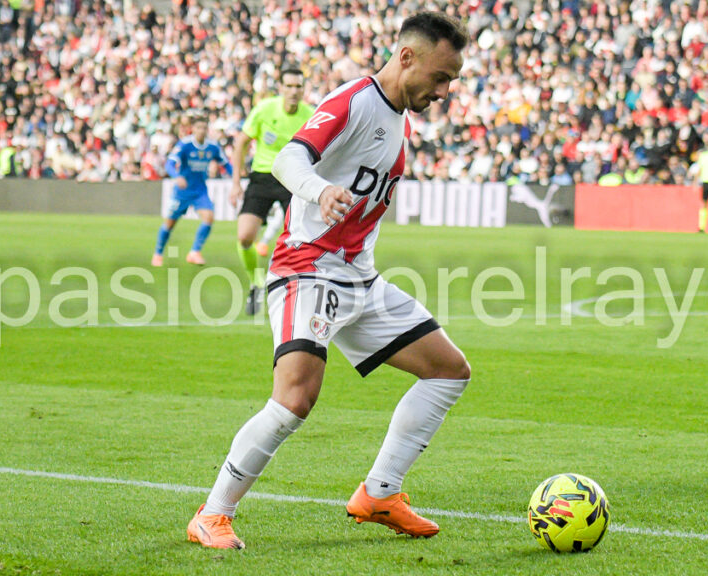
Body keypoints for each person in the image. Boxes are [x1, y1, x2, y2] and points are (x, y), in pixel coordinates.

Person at [186, 12, 471, 549]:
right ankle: (212, 513)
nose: (444, 91)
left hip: (359, 278)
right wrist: (319, 191)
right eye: (440, 77)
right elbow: (289, 159)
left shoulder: (399, 119)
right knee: (295, 397)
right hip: (308, 268)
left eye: (450, 81)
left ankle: (380, 493)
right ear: (406, 57)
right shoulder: (354, 101)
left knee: (448, 371)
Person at [230, 67, 315, 314]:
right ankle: (256, 283)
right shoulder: (265, 109)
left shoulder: (311, 115)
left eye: (298, 86)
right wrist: (236, 182)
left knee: (300, 239)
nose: (293, 91)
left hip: (292, 180)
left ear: (303, 89)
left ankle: (295, 289)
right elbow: (241, 142)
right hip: (262, 177)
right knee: (245, 236)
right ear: (281, 88)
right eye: (289, 86)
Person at [152, 116, 232, 266]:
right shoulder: (185, 144)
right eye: (198, 128)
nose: (201, 131)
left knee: (209, 218)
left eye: (204, 128)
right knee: (169, 224)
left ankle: (194, 252)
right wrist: (177, 177)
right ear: (193, 129)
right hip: (182, 191)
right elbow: (169, 164)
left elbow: (226, 164)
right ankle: (158, 253)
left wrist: (236, 177)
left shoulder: (213, 147)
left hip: (200, 191)